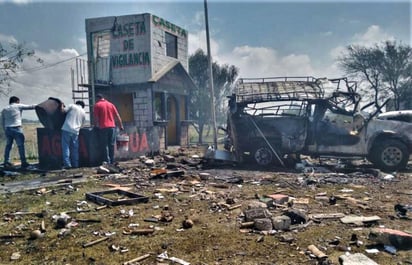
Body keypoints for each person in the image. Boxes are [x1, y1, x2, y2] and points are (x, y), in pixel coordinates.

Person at [1, 96, 36, 169]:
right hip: (17, 128)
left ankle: (6, 162)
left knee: (8, 146)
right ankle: (23, 162)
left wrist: (5, 130)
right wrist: (40, 105)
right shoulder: (18, 106)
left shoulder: (4, 109)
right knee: (20, 146)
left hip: (8, 129)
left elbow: (2, 121)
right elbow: (31, 106)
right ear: (17, 101)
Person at [93, 94, 124, 164]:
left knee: (104, 145)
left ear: (97, 98)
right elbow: (117, 115)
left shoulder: (97, 105)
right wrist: (121, 125)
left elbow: (96, 118)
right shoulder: (111, 104)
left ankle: (107, 161)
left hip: (103, 127)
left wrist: (95, 126)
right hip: (112, 127)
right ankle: (112, 160)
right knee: (111, 144)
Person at [61, 100, 86, 169]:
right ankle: (75, 164)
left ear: (76, 103)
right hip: (75, 131)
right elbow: (82, 125)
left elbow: (63, 111)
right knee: (75, 148)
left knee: (66, 147)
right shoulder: (83, 112)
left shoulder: (72, 106)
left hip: (67, 128)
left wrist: (62, 106)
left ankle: (67, 164)